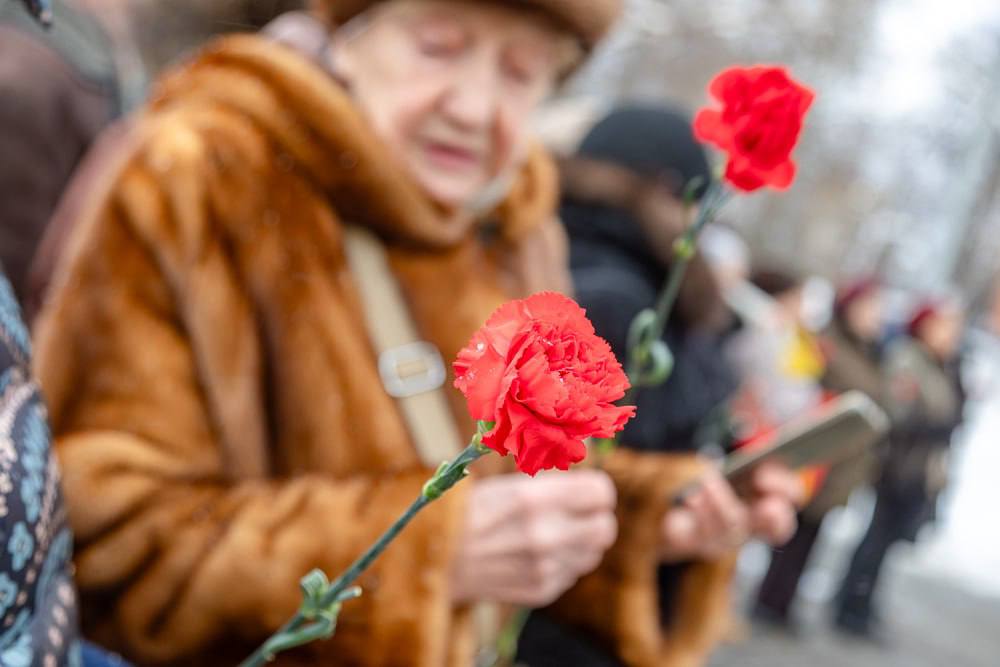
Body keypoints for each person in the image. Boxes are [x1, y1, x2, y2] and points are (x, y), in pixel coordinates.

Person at [30, 3, 723, 665]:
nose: (473, 108)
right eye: (437, 50)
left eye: (519, 73)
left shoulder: (511, 226)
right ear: (351, 37)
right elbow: (94, 539)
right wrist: (422, 554)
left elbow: (512, 488)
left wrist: (646, 521)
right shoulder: (201, 176)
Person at [518, 106, 802, 667]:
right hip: (570, 631)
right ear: (666, 193)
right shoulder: (612, 298)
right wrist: (661, 521)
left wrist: (726, 477)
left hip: (602, 614)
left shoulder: (636, 284)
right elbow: (542, 476)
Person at [753, 277, 886, 630]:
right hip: (820, 450)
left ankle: (783, 599)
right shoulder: (828, 343)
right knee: (795, 526)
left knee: (813, 531)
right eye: (869, 307)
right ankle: (770, 599)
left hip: (843, 457)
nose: (876, 316)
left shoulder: (869, 350)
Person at [834, 299, 967, 641]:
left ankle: (864, 601)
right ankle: (851, 603)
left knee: (889, 539)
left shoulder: (944, 365)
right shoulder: (909, 358)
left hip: (919, 467)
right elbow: (901, 409)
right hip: (899, 463)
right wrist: (933, 424)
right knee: (876, 536)